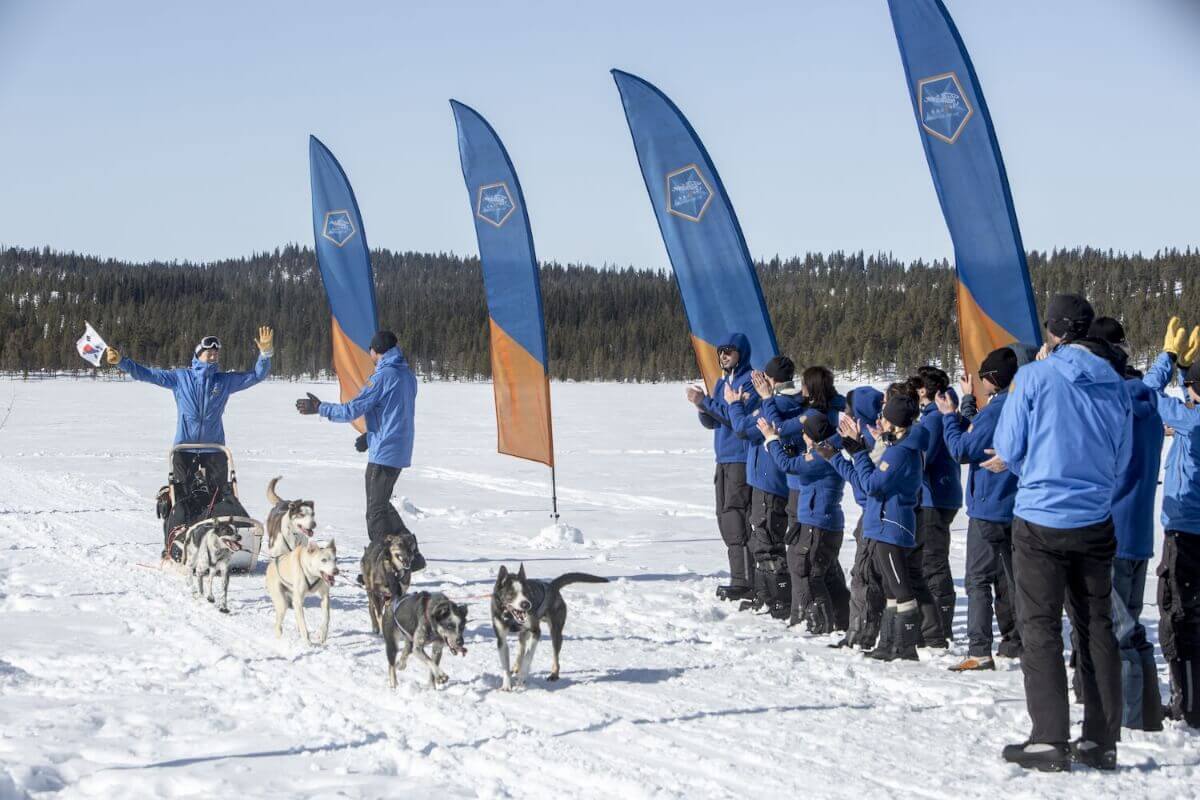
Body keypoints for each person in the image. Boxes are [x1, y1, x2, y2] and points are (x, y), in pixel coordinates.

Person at [992, 294, 1131, 772]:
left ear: (1051, 330)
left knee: (1041, 628)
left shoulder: (1034, 376)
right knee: (1097, 628)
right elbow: (1123, 455)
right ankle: (1101, 740)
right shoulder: (1115, 382)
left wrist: (1035, 466)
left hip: (1041, 517)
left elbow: (1008, 445)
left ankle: (1049, 738)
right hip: (1094, 516)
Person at [105, 328, 274, 555]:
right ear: (198, 354)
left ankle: (222, 541)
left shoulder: (223, 381)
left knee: (219, 495)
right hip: (184, 448)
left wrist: (265, 355)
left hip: (214, 448)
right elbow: (147, 374)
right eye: (208, 351)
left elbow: (256, 375)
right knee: (182, 497)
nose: (213, 355)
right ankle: (176, 542)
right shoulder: (181, 378)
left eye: (216, 352)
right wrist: (122, 362)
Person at [1076, 317, 1164, 731]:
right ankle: (1148, 716)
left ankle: (1129, 724)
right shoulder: (1145, 398)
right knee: (1132, 629)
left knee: (1119, 633)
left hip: (1109, 531)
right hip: (1139, 533)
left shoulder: (1115, 402)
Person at [295, 330, 423, 568]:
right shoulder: (407, 375)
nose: (370, 355)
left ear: (375, 351)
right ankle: (413, 556)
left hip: (385, 452)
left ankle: (380, 564)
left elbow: (353, 409)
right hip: (397, 447)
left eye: (371, 352)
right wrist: (370, 434)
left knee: (375, 514)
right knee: (382, 504)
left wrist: (320, 408)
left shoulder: (383, 376)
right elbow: (395, 412)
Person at [818, 394, 928, 661]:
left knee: (901, 589)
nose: (881, 421)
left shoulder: (901, 452)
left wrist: (856, 452)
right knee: (891, 589)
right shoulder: (896, 446)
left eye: (886, 417)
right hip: (881, 524)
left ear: (894, 422)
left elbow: (871, 484)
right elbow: (864, 480)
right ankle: (888, 643)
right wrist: (838, 457)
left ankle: (905, 645)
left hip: (891, 525)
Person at [935, 346, 1022, 672]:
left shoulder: (996, 411)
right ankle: (1015, 641)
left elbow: (962, 449)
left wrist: (948, 418)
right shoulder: (1019, 406)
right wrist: (967, 405)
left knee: (977, 580)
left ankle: (980, 649)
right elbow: (978, 430)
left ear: (991, 379)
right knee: (1011, 579)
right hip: (1016, 506)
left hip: (989, 506)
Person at [759, 365, 850, 633]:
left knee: (803, 560)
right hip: (812, 497)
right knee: (820, 561)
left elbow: (781, 430)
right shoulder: (830, 409)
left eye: (805, 386)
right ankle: (836, 615)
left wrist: (767, 404)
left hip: (807, 496)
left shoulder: (816, 430)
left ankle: (809, 615)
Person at [1142, 316, 1200, 729]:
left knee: (1180, 619)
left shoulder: (1191, 419)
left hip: (1186, 532)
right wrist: (1186, 373)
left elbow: (1145, 393)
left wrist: (1167, 358)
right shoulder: (1191, 416)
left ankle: (1190, 706)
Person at [688, 333, 755, 602]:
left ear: (741, 353)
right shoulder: (722, 383)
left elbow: (736, 420)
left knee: (736, 516)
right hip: (723, 458)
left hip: (740, 458)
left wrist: (706, 402)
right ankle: (739, 575)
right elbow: (715, 422)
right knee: (724, 516)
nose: (723, 355)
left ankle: (746, 579)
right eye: (721, 351)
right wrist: (702, 407)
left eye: (729, 351)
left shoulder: (750, 381)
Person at [727, 360, 791, 619]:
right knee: (761, 540)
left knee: (767, 543)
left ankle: (779, 600)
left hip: (769, 482)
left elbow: (742, 429)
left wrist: (735, 404)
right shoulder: (776, 403)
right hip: (767, 481)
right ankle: (766, 596)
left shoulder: (777, 405)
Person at [830, 385, 885, 650]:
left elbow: (866, 483)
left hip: (874, 515)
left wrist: (850, 453)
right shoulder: (868, 434)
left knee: (863, 575)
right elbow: (857, 477)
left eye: (849, 408)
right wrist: (835, 459)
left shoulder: (869, 437)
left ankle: (861, 633)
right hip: (871, 512)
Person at [912, 366, 962, 647]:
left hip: (934, 497)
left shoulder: (933, 418)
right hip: (944, 493)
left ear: (923, 391)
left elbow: (923, 457)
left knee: (933, 561)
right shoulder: (946, 411)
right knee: (934, 558)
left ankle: (939, 627)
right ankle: (937, 623)